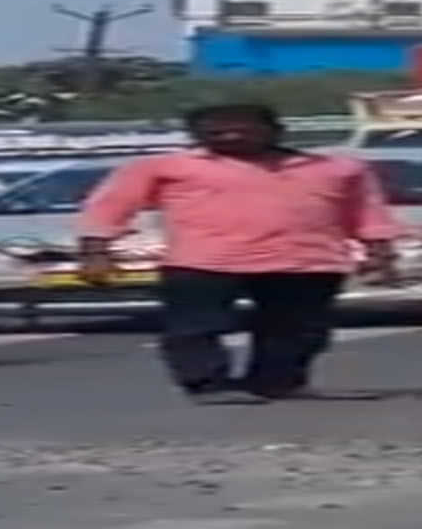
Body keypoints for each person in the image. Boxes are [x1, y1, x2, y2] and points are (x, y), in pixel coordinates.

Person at [77, 103, 403, 405]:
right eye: (216, 132)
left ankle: (279, 382)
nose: (231, 136)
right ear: (196, 136)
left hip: (306, 261)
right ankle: (208, 384)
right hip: (203, 262)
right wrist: (96, 252)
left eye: (244, 129)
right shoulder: (164, 167)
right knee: (196, 328)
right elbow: (109, 207)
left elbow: (367, 212)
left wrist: (380, 253)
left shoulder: (337, 168)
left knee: (299, 329)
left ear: (275, 130)